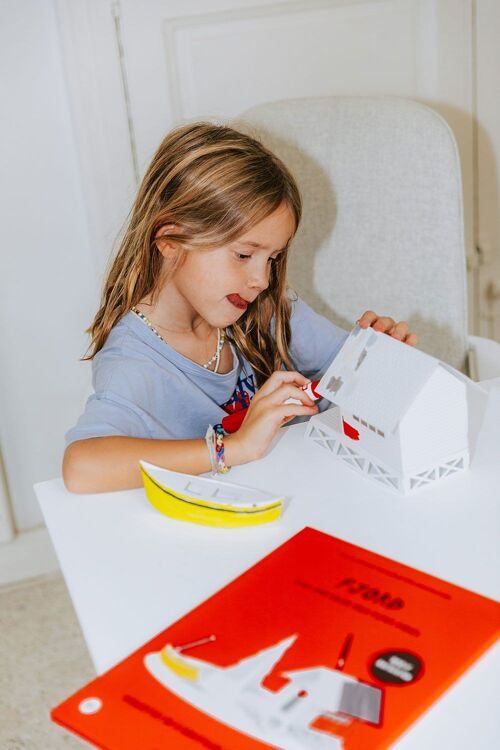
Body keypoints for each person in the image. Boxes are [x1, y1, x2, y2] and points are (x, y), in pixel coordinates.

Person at [63, 122, 417, 493]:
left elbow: (352, 380)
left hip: (318, 492)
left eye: (272, 258)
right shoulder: (134, 361)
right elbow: (81, 467)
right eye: (244, 254)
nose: (261, 280)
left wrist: (378, 359)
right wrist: (233, 448)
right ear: (169, 240)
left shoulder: (267, 308)